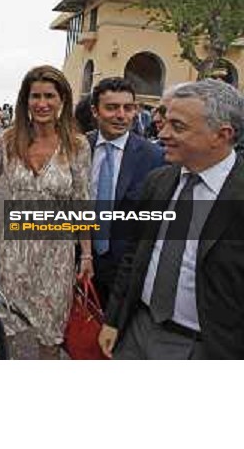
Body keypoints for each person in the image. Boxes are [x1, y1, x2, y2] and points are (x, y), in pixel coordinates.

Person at [98, 79, 244, 359]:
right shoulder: (159, 181)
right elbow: (135, 255)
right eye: (164, 122)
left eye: (178, 126)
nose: (162, 133)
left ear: (221, 135)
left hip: (207, 348)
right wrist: (114, 319)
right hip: (137, 331)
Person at [0, 65, 93, 359]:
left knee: (50, 339)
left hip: (57, 254)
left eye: (49, 96)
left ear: (62, 99)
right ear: (25, 101)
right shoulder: (8, 139)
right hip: (16, 251)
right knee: (7, 334)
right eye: (35, 96)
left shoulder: (76, 144)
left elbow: (82, 200)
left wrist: (86, 254)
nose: (42, 103)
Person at [88, 77, 164, 309]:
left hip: (126, 272)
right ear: (95, 111)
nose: (121, 115)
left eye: (128, 108)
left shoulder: (155, 157)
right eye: (111, 108)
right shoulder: (78, 148)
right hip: (80, 262)